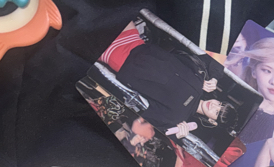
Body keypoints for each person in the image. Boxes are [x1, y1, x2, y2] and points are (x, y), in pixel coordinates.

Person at [100, 27, 238, 137]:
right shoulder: (201, 80)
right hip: (137, 41)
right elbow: (217, 57)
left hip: (121, 58)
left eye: (217, 112)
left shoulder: (176, 117)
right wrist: (214, 77)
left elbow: (140, 121)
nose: (214, 105)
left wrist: (173, 135)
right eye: (220, 104)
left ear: (212, 122)